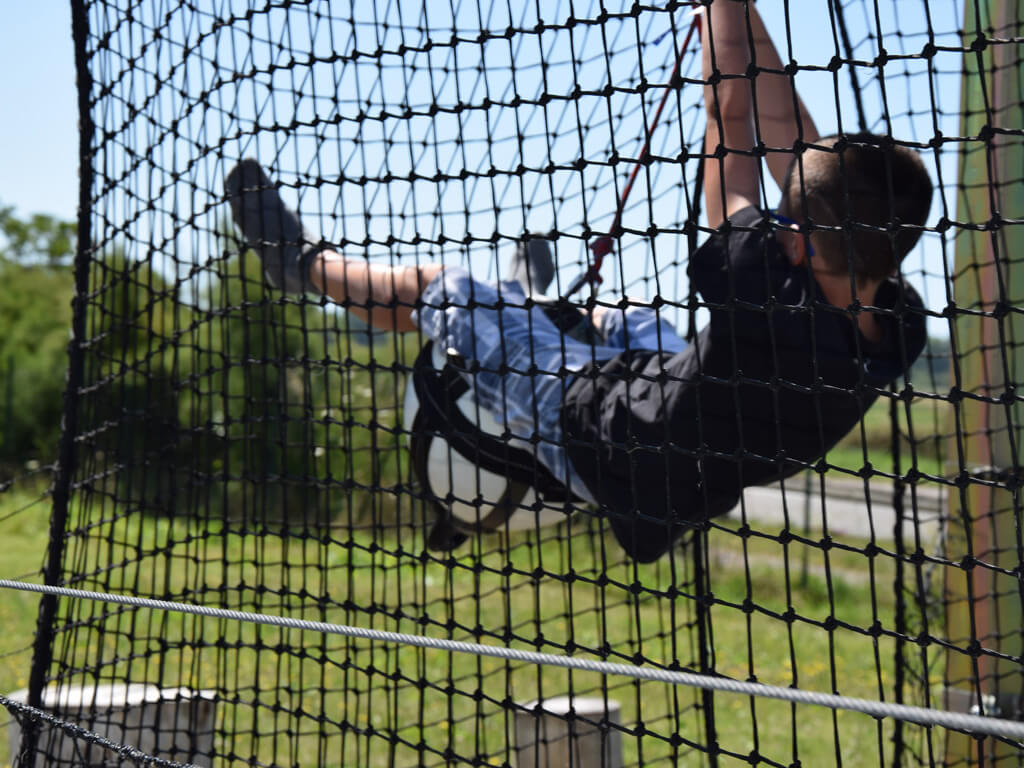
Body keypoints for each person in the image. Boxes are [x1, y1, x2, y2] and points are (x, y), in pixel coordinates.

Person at [225, 1, 932, 563]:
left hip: (597, 436)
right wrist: (735, 13)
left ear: (803, 246)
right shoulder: (891, 321)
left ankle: (302, 265)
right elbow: (800, 152)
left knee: (437, 287)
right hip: (679, 444)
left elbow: (734, 118)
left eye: (786, 221)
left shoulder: (761, 291)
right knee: (620, 312)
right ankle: (529, 311)